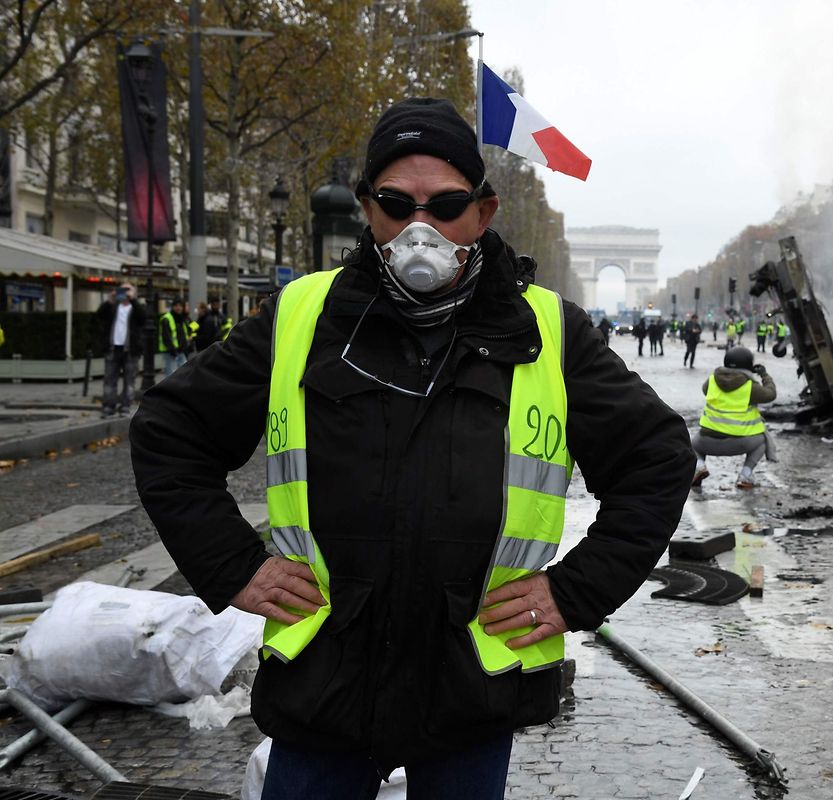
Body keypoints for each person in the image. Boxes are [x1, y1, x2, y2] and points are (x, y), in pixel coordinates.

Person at [129, 97, 694, 800]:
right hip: (323, 680)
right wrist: (232, 565)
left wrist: (578, 592)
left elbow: (660, 456)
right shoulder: (298, 316)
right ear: (368, 209)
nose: (418, 226)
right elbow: (168, 430)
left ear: (483, 214)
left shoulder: (552, 331)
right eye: (396, 203)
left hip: (470, 683)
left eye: (446, 203)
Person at [691, 346, 775, 490]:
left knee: (692, 444)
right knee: (763, 440)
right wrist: (764, 375)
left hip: (706, 442)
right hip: (741, 443)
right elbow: (770, 394)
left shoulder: (711, 381)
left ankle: (699, 466)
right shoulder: (750, 387)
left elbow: (705, 390)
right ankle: (746, 475)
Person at [96, 282, 146, 417]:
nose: (124, 292)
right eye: (122, 289)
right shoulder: (113, 307)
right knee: (109, 379)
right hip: (113, 348)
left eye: (128, 289)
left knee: (129, 380)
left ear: (134, 293)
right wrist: (110, 300)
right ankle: (108, 405)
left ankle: (125, 406)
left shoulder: (136, 307)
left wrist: (133, 300)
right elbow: (99, 315)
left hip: (130, 349)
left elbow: (143, 318)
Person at [158, 297, 190, 378]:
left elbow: (184, 333)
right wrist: (172, 350)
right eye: (176, 306)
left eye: (180, 306)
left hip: (180, 350)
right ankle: (169, 390)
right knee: (171, 375)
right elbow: (166, 337)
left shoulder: (182, 319)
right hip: (170, 351)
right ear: (172, 307)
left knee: (185, 373)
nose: (178, 308)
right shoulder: (167, 318)